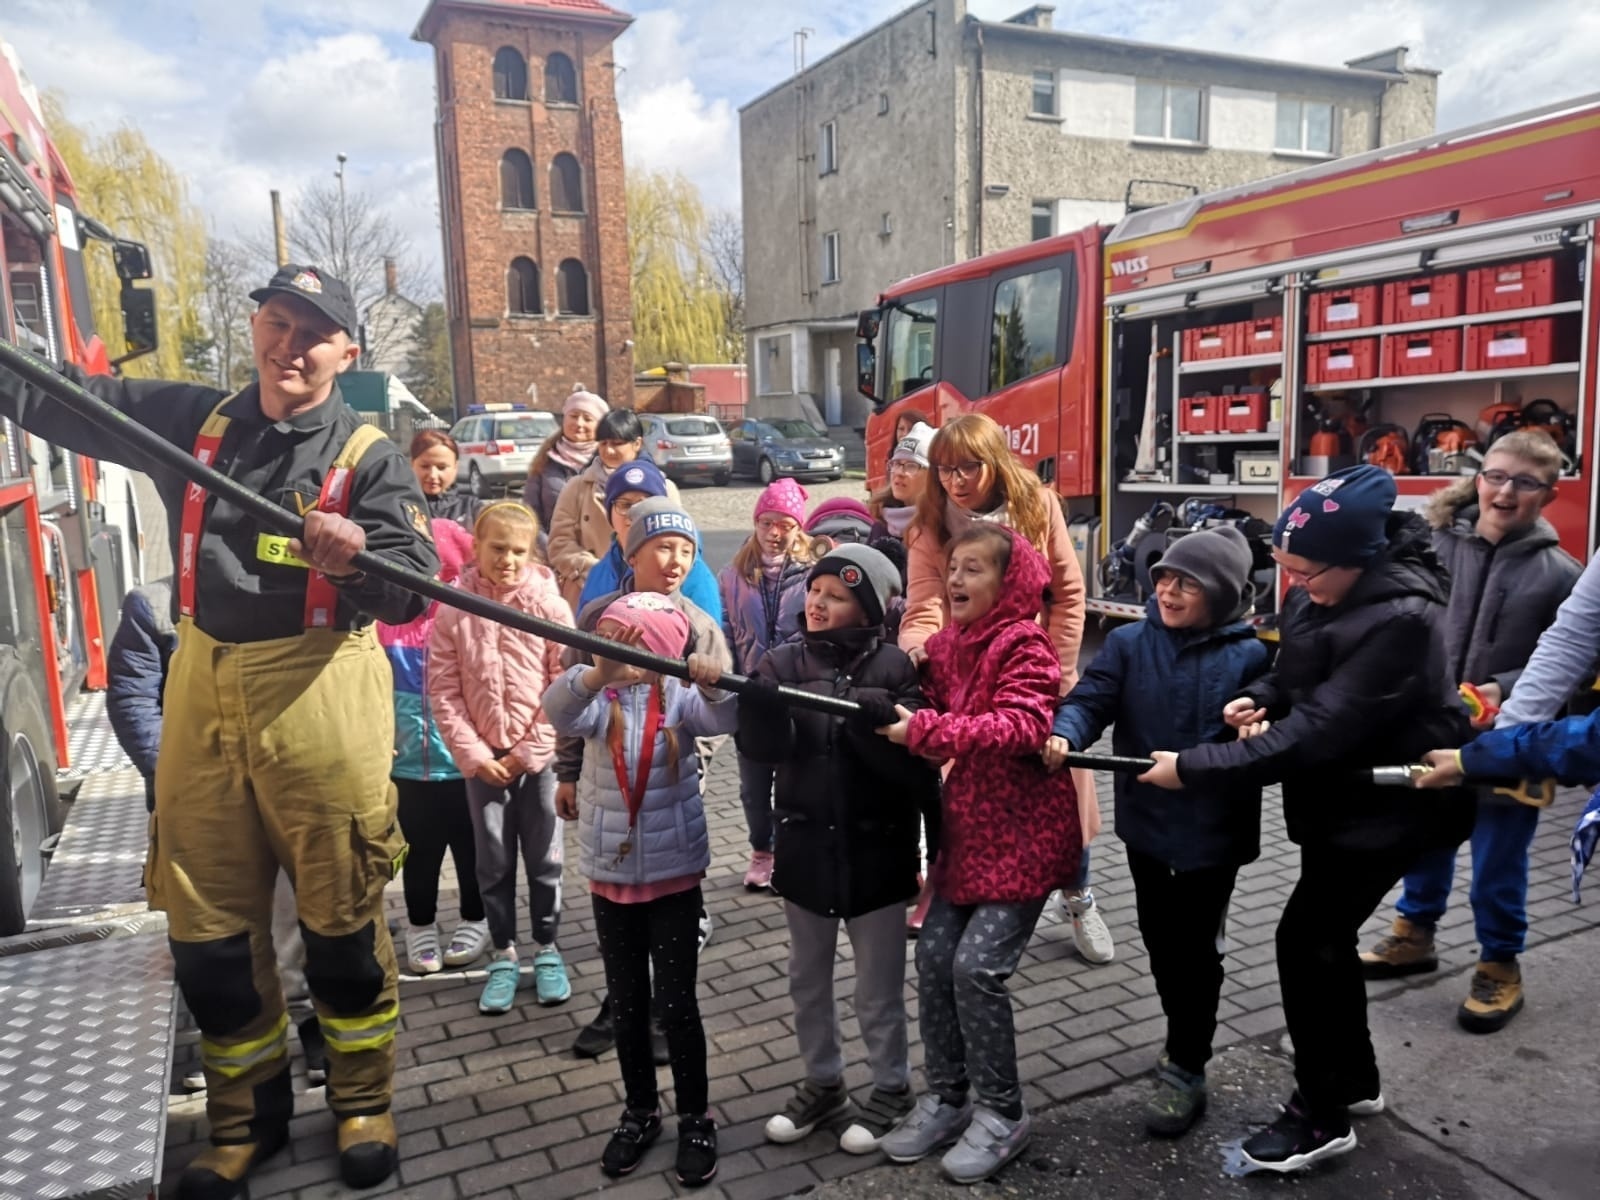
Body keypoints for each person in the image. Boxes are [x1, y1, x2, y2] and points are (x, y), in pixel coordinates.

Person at [0, 263, 438, 1197]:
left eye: (312, 334)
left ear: (347, 353)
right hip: (200, 683)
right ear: (256, 328)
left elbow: (410, 587)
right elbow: (66, 399)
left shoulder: (372, 457)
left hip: (320, 688)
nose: (290, 346)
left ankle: (362, 1101)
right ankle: (246, 1118)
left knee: (340, 922)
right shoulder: (194, 420)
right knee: (207, 933)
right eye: (276, 323)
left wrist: (358, 561)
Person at [1139, 464, 1474, 1173]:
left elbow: (1318, 730)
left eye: (1306, 571)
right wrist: (1262, 695)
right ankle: (1354, 1081)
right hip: (1338, 803)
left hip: (1391, 804)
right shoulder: (1325, 591)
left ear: (1358, 557)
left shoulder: (1403, 620)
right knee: (1324, 942)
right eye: (1285, 568)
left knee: (1305, 942)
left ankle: (1320, 1116)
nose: (1295, 583)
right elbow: (1300, 676)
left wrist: (1193, 767)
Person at [875, 524, 1080, 1184]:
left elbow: (1023, 725)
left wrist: (925, 728)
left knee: (975, 968)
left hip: (1025, 839)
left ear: (1009, 583)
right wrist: (902, 696)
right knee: (934, 958)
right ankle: (948, 1097)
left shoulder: (1025, 643)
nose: (956, 580)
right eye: (953, 567)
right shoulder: (945, 646)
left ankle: (1002, 1112)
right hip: (969, 837)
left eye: (973, 569)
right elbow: (929, 711)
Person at [1046, 528, 1269, 1137]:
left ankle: (1187, 1064)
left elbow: (1268, 731)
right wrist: (1066, 731)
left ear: (1221, 593)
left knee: (1196, 950)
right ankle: (1181, 1035)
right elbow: (1091, 700)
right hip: (1145, 826)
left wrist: (1260, 724)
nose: (1167, 592)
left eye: (1186, 584)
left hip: (1214, 833)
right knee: (1159, 939)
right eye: (1163, 578)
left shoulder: (1252, 658)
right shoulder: (1127, 642)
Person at [1361, 433, 1579, 1032]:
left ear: (1549, 495)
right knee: (1425, 841)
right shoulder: (1429, 544)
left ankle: (1500, 964)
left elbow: (1575, 663)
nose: (1506, 492)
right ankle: (1413, 935)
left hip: (1511, 742)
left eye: (1526, 482)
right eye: (1497, 476)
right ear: (1478, 480)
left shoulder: (1563, 574)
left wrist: (1504, 688)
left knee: (1498, 863)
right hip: (1428, 730)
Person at [737, 545, 940, 1155]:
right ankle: (824, 1082)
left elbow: (915, 768)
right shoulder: (780, 661)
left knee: (877, 990)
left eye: (837, 596)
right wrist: (760, 712)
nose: (818, 604)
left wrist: (874, 730)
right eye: (815, 591)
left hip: (878, 853)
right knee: (807, 980)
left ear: (868, 609)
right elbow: (765, 752)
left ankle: (892, 1087)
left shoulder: (896, 667)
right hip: (805, 850)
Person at [900, 414, 1110, 965]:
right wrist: (918, 651)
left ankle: (1079, 896)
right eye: (944, 469)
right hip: (967, 682)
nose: (955, 480)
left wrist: (1054, 676)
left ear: (995, 462)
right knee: (982, 802)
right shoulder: (929, 524)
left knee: (1061, 798)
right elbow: (925, 601)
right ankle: (984, 902)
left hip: (1037, 678)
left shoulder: (1036, 505)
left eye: (968, 467)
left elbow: (1067, 593)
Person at [544, 593, 736, 1188]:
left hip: (674, 877)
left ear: (660, 653)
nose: (618, 655)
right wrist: (595, 673)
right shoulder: (597, 700)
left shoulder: (679, 697)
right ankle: (640, 1110)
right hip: (611, 878)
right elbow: (557, 711)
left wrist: (713, 684)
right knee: (626, 1005)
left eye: (630, 645)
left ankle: (695, 1117)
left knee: (677, 1006)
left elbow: (727, 719)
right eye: (608, 642)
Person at [107, 578, 328, 1091]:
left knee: (292, 927)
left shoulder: (279, 590)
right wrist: (184, 776)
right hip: (198, 806)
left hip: (279, 793)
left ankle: (309, 1025)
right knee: (214, 937)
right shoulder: (152, 607)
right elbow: (133, 699)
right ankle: (236, 1050)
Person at [563, 496, 732, 1059]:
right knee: (622, 920)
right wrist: (567, 773)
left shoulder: (698, 624)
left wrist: (692, 758)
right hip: (608, 786)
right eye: (662, 547)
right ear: (631, 554)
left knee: (670, 910)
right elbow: (572, 697)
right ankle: (619, 1007)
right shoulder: (599, 616)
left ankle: (664, 1010)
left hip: (672, 780)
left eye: (686, 550)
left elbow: (719, 706)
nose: (675, 560)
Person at [429, 501, 574, 1015]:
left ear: (531, 552)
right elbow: (443, 690)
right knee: (492, 860)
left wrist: (529, 751)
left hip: (537, 761)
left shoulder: (550, 608)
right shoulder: (454, 608)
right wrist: (473, 754)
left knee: (545, 858)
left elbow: (565, 686)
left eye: (517, 551)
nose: (507, 560)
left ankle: (547, 946)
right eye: (497, 549)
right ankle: (504, 951)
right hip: (483, 761)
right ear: (476, 546)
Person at [379, 503, 489, 977]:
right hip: (407, 765)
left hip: (463, 762)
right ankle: (420, 926)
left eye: (448, 575)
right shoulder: (387, 621)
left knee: (471, 850)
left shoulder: (470, 620)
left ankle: (475, 918)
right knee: (419, 853)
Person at [720, 478, 813, 889]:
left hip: (797, 698)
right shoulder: (732, 575)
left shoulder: (811, 573)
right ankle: (762, 851)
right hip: (751, 698)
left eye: (785, 525)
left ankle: (792, 854)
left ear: (799, 529)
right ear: (756, 523)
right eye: (767, 523)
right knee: (754, 790)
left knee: (795, 785)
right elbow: (724, 632)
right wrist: (731, 684)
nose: (775, 533)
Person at [548, 408, 684, 610]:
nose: (608, 450)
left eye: (617, 443)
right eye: (603, 443)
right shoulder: (578, 487)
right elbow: (559, 543)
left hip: (648, 596)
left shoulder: (664, 488)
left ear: (636, 443)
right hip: (586, 591)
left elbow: (677, 541)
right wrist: (597, 571)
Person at [578, 458, 721, 623]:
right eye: (625, 505)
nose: (633, 514)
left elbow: (708, 635)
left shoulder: (694, 574)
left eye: (645, 504)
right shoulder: (599, 572)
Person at [525, 385, 608, 531]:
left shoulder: (608, 460)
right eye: (574, 416)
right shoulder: (545, 460)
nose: (579, 423)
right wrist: (548, 543)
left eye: (588, 419)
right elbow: (530, 514)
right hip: (552, 543)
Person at [869, 420, 933, 548]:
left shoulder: (941, 527)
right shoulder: (881, 525)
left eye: (911, 466)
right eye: (896, 464)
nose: (899, 473)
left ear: (933, 475)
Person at [409, 428, 482, 528]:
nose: (433, 475)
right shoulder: (401, 508)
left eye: (441, 467)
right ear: (412, 465)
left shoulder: (472, 508)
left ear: (455, 467)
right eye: (425, 466)